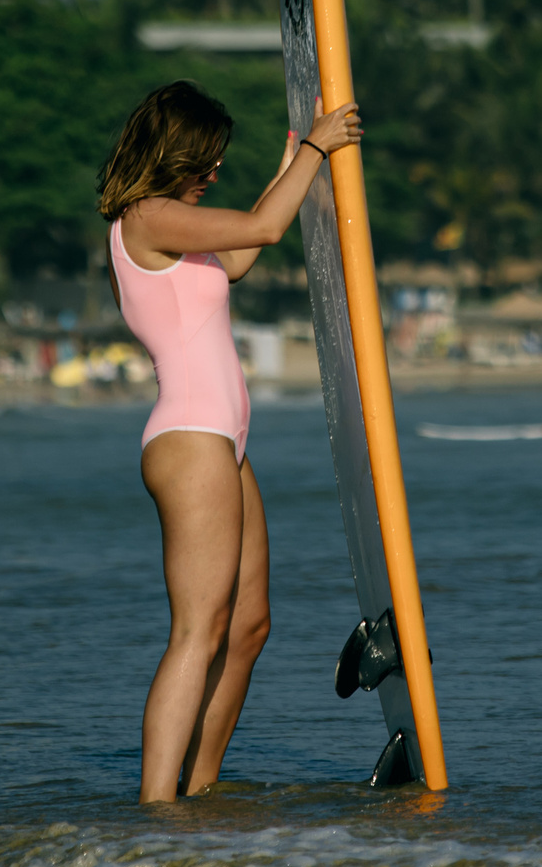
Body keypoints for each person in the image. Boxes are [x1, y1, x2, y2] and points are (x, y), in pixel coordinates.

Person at [99, 79, 361, 805]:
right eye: (205, 159)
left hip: (224, 443)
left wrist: (289, 165)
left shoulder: (174, 224)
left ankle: (202, 789)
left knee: (247, 625)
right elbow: (266, 229)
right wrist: (317, 147)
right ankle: (158, 806)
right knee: (198, 629)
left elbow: (243, 252)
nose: (212, 171)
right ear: (172, 152)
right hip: (190, 439)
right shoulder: (146, 216)